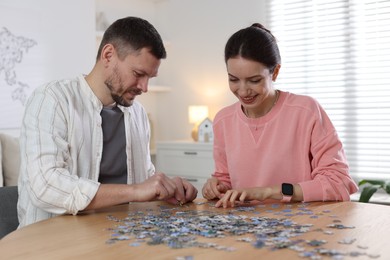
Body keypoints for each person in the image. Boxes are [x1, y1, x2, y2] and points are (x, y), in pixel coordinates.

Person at [17, 16, 197, 227]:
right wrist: (137, 191)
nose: (145, 87)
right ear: (108, 55)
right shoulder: (52, 99)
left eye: (150, 78)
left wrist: (166, 188)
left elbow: (143, 178)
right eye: (138, 74)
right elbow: (46, 187)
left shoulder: (137, 114)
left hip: (119, 238)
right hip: (52, 243)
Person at [202, 23, 358, 208]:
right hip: (244, 229)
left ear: (275, 72)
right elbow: (224, 179)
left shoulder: (306, 111)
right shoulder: (223, 120)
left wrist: (268, 192)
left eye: (254, 80)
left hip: (303, 228)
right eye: (233, 79)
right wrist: (215, 186)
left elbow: (337, 182)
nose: (243, 91)